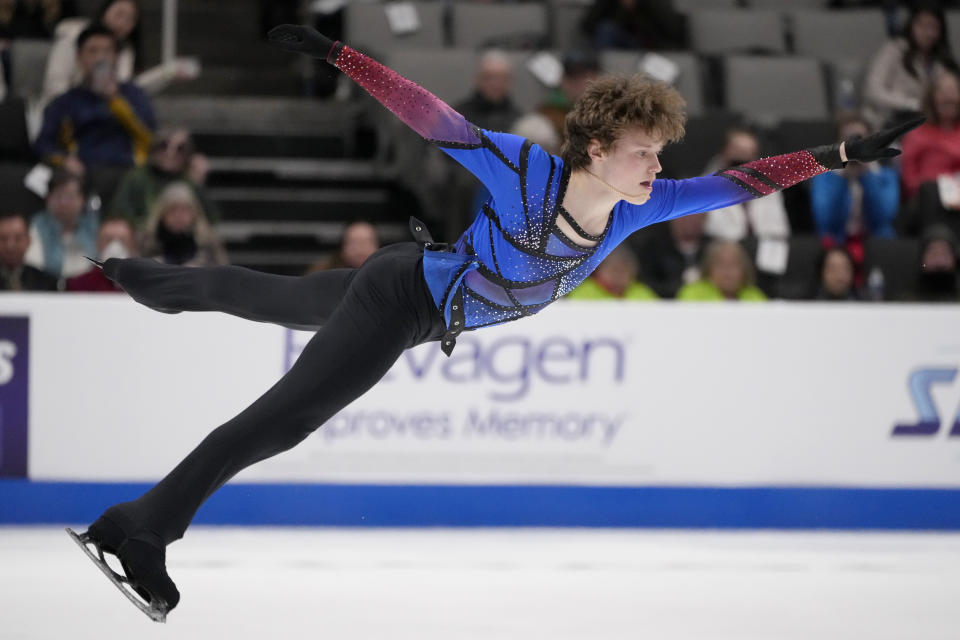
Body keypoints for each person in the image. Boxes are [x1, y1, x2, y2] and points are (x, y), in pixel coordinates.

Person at [68, 24, 922, 621]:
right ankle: (138, 529)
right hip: (401, 298)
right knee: (281, 420)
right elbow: (432, 117)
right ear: (596, 148)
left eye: (660, 152)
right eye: (644, 150)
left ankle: (139, 278)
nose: (659, 166)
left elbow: (745, 181)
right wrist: (339, 54)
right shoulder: (526, 173)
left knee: (273, 297)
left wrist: (841, 155)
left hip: (417, 292)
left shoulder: (637, 207)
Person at [34, 24, 155, 181]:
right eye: (93, 51)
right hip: (84, 175)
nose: (100, 58)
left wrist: (115, 100)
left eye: (107, 51)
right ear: (79, 58)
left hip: (129, 173)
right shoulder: (64, 102)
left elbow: (150, 136)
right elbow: (42, 145)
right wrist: (64, 160)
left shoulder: (134, 95)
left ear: (116, 57)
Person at [41, 0, 196, 106]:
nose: (122, 23)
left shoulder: (126, 52)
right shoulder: (70, 40)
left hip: (103, 121)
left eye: (130, 19)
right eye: (119, 14)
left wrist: (167, 72)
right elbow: (55, 88)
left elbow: (125, 89)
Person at [809, 114, 899, 273]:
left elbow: (884, 216)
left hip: (875, 242)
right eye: (848, 140)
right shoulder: (824, 177)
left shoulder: (884, 175)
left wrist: (866, 176)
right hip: (837, 243)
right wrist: (842, 177)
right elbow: (825, 219)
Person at [863, 4, 957, 130]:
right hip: (888, 121)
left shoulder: (942, 61)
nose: (927, 33)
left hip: (926, 123)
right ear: (911, 25)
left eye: (933, 27)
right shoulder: (894, 49)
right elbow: (873, 91)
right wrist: (912, 104)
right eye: (921, 26)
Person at [109, 126, 219, 228]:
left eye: (180, 148)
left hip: (183, 237)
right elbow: (120, 212)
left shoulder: (189, 180)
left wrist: (198, 183)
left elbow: (211, 218)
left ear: (188, 154)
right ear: (154, 148)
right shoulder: (136, 178)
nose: (170, 153)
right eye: (164, 145)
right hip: (143, 236)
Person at [23, 169, 98, 279]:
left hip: (86, 290)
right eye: (58, 196)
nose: (64, 203)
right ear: (47, 199)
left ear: (82, 200)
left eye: (70, 197)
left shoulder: (93, 226)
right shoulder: (35, 226)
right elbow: (33, 264)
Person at [140, 182, 227, 267]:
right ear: (161, 213)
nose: (179, 216)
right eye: (172, 210)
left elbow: (222, 274)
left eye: (185, 210)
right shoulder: (148, 240)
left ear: (195, 213)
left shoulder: (208, 240)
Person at [634, 211, 708, 299]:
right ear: (673, 219)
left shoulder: (711, 246)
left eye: (696, 217)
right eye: (685, 217)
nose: (690, 221)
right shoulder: (653, 247)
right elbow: (645, 280)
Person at [453, 50, 521, 135]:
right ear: (477, 79)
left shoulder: (520, 120)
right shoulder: (456, 117)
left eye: (503, 79)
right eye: (489, 78)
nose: (496, 84)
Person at [676, 240, 767, 302]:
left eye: (733, 264)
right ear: (708, 268)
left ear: (744, 270)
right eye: (720, 264)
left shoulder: (755, 297)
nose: (727, 271)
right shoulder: (692, 294)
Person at [66, 215, 135, 291]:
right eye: (108, 240)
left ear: (132, 245)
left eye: (122, 240)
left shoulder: (141, 283)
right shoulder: (79, 285)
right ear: (97, 244)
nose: (115, 247)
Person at [566, 245, 657, 300]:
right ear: (600, 269)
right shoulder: (584, 291)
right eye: (615, 269)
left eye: (625, 270)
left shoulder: (642, 292)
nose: (619, 275)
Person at [0, 211, 58, 290]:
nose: (10, 246)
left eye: (18, 239)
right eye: (3, 239)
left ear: (28, 240)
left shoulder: (46, 282)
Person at [909, 224, 960, 302]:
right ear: (922, 258)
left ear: (954, 259)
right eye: (934, 253)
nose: (939, 260)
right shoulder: (906, 302)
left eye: (944, 253)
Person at [307, 220, 379, 272]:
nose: (360, 249)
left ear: (377, 246)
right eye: (354, 242)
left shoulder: (386, 274)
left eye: (365, 242)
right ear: (342, 246)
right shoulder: (322, 272)